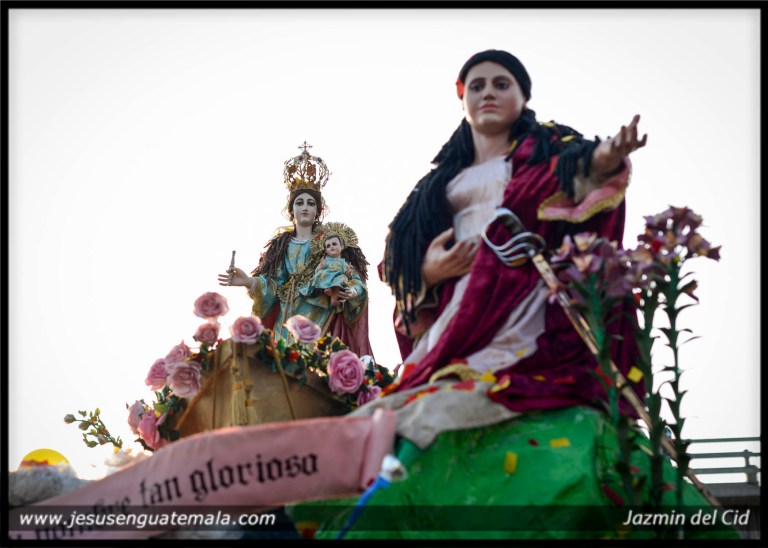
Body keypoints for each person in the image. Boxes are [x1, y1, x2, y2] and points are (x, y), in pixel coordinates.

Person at [289, 50, 735, 540]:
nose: (488, 93)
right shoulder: (439, 182)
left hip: (526, 312)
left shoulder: (546, 154)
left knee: (444, 410)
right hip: (459, 321)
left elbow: (581, 173)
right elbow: (403, 259)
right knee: (394, 412)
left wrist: (608, 155)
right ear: (463, 98)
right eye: (476, 85)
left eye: (501, 84)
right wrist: (431, 270)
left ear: (522, 96)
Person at [218, 144, 373, 357]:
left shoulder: (330, 242)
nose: (305, 207)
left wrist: (352, 291)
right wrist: (249, 281)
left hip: (320, 317)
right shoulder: (281, 246)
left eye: (310, 203)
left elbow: (352, 276)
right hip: (286, 319)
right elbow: (273, 285)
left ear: (318, 210)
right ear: (292, 210)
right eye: (299, 202)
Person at [303, 234, 355, 308]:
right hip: (325, 277)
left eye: (334, 244)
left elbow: (347, 277)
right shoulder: (326, 261)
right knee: (321, 273)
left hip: (337, 281)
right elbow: (316, 272)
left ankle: (333, 298)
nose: (331, 247)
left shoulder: (344, 263)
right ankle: (327, 291)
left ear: (342, 246)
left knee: (342, 278)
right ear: (326, 251)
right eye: (328, 246)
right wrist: (320, 266)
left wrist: (349, 273)